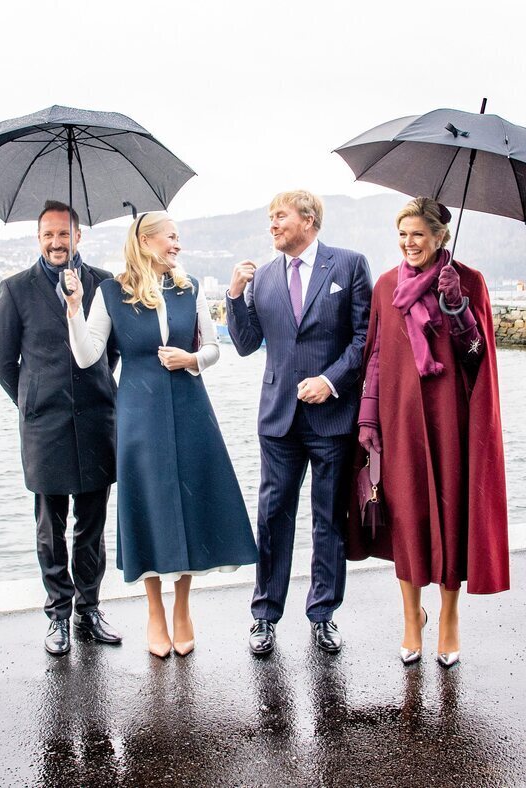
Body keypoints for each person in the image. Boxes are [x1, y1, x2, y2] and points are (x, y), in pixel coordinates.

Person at [64, 211, 257, 658]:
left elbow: (213, 347)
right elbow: (86, 355)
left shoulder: (189, 290)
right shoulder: (110, 292)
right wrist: (74, 309)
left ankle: (183, 609)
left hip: (190, 407)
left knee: (191, 502)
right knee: (146, 505)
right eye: (172, 237)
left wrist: (191, 360)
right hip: (139, 412)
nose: (178, 245)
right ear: (146, 241)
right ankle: (154, 611)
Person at [347, 196, 509, 669]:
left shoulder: (468, 282)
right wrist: (369, 420)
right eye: (402, 234)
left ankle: (450, 618)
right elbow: (375, 356)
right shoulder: (386, 285)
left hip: (449, 418)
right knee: (408, 519)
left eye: (418, 234)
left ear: (440, 237)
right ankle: (411, 619)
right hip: (398, 420)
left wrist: (456, 306)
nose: (409, 243)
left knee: (451, 515)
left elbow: (478, 357)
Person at [226, 190, 372, 655]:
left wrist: (331, 382)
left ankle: (323, 615)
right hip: (278, 420)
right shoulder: (263, 277)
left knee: (329, 520)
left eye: (280, 216)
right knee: (272, 517)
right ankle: (265, 616)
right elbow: (247, 344)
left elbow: (365, 337)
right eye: (269, 217)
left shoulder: (348, 265)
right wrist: (234, 297)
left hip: (332, 417)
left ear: (308, 220)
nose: (272, 224)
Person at [0, 200, 122, 657]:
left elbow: (114, 350)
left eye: (63, 234)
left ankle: (89, 609)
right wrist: (32, 401)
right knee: (51, 526)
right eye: (47, 234)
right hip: (44, 426)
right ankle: (58, 614)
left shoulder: (105, 285)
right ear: (38, 239)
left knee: (92, 524)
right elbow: (2, 362)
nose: (55, 242)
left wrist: (98, 384)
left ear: (78, 236)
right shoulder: (16, 290)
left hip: (97, 421)